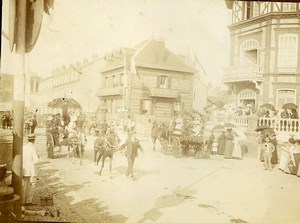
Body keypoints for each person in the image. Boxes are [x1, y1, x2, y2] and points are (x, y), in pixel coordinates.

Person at [22, 134, 39, 205]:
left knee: (24, 185)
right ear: (34, 140)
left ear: (28, 139)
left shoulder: (24, 147)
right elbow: (36, 161)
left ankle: (22, 201)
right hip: (31, 170)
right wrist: (38, 156)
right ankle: (29, 201)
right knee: (33, 184)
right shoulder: (33, 148)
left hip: (24, 169)